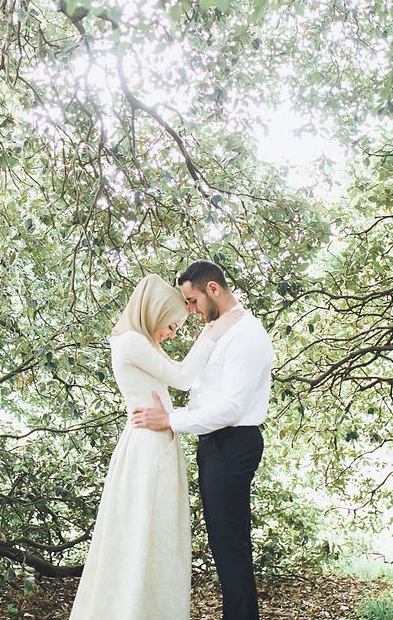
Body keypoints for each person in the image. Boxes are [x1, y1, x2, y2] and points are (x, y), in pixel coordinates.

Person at [70, 273, 244, 620]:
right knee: (144, 531)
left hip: (158, 445)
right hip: (148, 449)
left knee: (158, 535)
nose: (171, 334)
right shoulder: (130, 342)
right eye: (171, 326)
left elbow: (176, 376)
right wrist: (211, 333)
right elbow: (181, 378)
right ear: (153, 312)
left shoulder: (142, 342)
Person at [131, 259, 273, 620]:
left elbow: (232, 407)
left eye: (192, 301)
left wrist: (172, 420)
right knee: (224, 545)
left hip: (233, 441)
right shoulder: (220, 331)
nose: (190, 310)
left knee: (231, 547)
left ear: (213, 289)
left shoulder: (245, 333)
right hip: (216, 444)